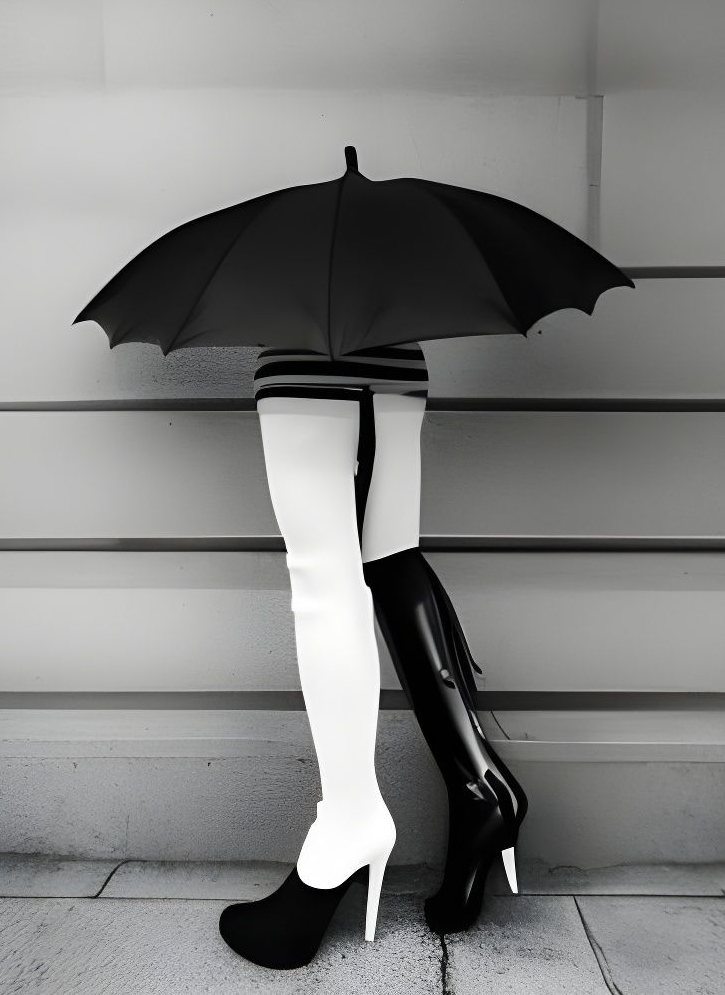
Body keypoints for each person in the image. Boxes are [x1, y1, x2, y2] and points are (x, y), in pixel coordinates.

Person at [218, 341, 528, 970]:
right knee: (390, 558)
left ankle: (347, 824)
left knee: (324, 581)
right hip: (396, 367)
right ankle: (479, 785)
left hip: (307, 372)